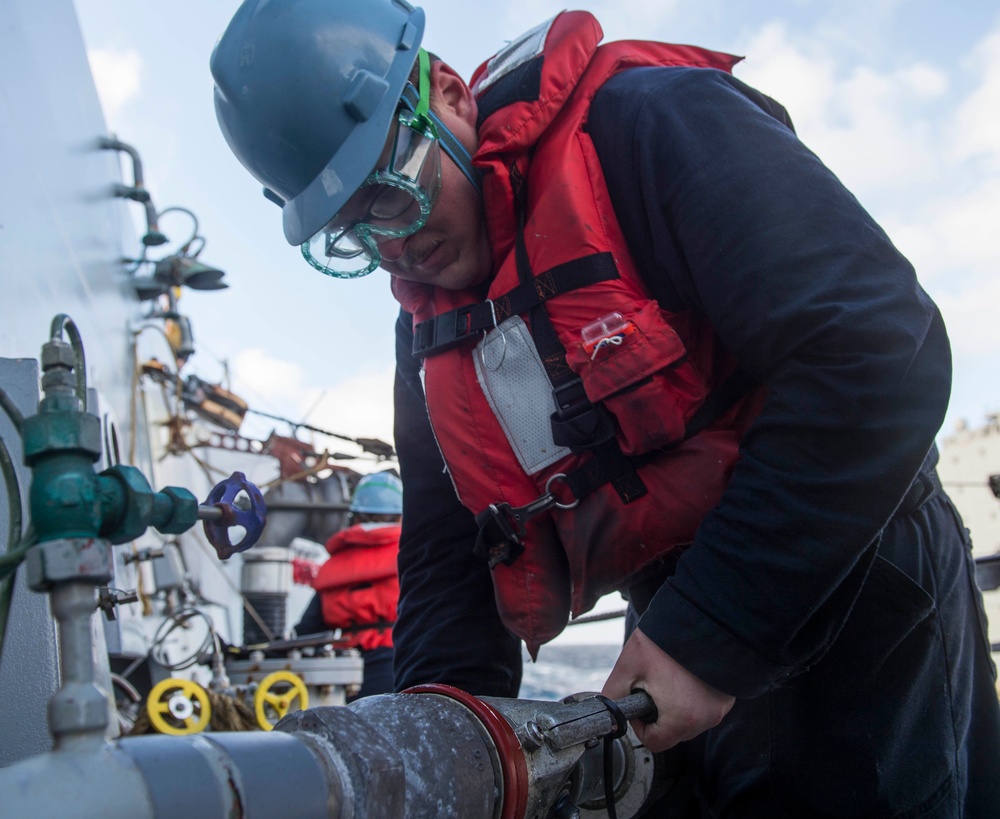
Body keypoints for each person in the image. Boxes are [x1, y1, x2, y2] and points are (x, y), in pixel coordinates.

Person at [211, 2, 1000, 815]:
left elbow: (876, 351)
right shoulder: (426, 332)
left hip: (855, 573)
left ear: (446, 95)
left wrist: (709, 635)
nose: (395, 246)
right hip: (673, 615)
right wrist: (439, 753)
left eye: (391, 192)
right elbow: (451, 560)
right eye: (353, 234)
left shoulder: (652, 127)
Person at [293, 471, 403, 700]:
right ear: (402, 516)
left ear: (355, 516)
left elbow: (306, 632)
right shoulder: (410, 556)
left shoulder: (334, 564)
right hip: (400, 665)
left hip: (343, 675)